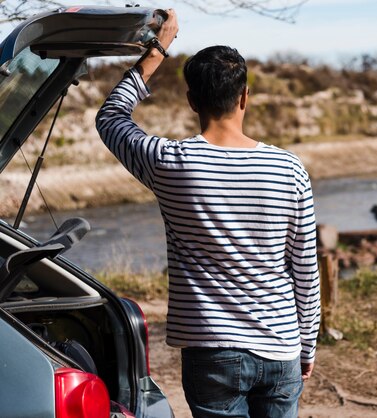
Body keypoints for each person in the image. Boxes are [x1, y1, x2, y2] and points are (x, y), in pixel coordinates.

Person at [96, 9, 320, 418]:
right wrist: (307, 345)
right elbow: (304, 267)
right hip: (281, 345)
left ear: (191, 100)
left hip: (211, 350)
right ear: (245, 97)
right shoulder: (290, 169)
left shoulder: (169, 161)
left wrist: (157, 50)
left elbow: (110, 117)